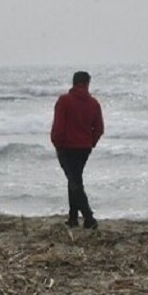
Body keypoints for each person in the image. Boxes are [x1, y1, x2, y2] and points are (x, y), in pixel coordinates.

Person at [50, 71, 104, 229]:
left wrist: (57, 143)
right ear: (87, 83)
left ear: (73, 83)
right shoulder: (93, 103)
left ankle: (89, 217)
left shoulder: (64, 101)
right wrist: (91, 142)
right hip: (84, 147)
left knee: (74, 182)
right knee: (75, 179)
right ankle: (73, 217)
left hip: (66, 147)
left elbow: (58, 127)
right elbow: (99, 128)